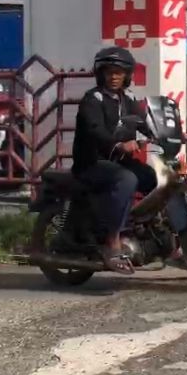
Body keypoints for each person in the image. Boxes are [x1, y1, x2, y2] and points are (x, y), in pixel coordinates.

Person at [72, 46, 158, 274]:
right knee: (127, 179)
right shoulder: (93, 99)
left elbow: (145, 122)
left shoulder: (127, 99)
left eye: (119, 72)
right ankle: (112, 240)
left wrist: (172, 133)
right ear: (101, 74)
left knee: (153, 178)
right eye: (109, 72)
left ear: (127, 75)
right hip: (91, 163)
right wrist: (118, 144)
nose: (114, 76)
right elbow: (94, 129)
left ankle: (146, 230)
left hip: (116, 162)